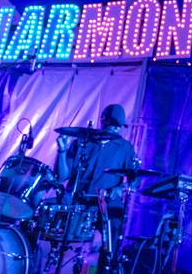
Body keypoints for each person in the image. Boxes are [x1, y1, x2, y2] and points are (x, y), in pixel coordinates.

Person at [55, 103, 137, 268]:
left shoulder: (125, 148)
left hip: (107, 202)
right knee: (59, 226)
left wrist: (120, 189)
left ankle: (104, 267)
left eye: (118, 126)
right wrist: (62, 151)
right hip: (80, 200)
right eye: (112, 124)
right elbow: (62, 175)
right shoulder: (82, 142)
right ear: (103, 121)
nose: (115, 129)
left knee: (114, 225)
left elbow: (135, 178)